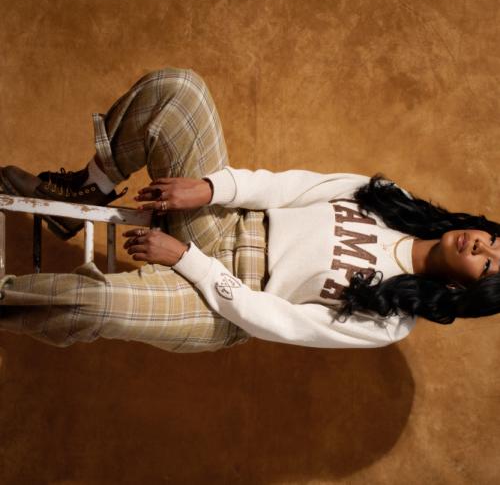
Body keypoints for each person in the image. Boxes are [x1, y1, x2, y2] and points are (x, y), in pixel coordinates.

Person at [1, 66, 499, 353]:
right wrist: (210, 189)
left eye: (489, 264)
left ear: (467, 290)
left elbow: (278, 322)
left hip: (224, 304)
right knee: (180, 92)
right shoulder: (393, 200)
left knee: (95, 304)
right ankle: (86, 192)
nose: (482, 246)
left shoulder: (391, 321)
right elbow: (289, 187)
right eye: (494, 240)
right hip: (227, 221)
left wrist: (187, 260)